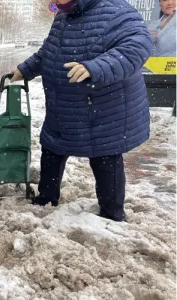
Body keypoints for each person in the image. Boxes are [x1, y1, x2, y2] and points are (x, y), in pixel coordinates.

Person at [10, 0, 153, 222]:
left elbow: (137, 47)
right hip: (65, 106)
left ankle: (112, 215)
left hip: (105, 111)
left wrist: (95, 67)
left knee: (104, 157)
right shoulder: (64, 16)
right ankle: (46, 199)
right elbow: (49, 51)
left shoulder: (116, 11)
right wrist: (25, 69)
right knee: (52, 149)